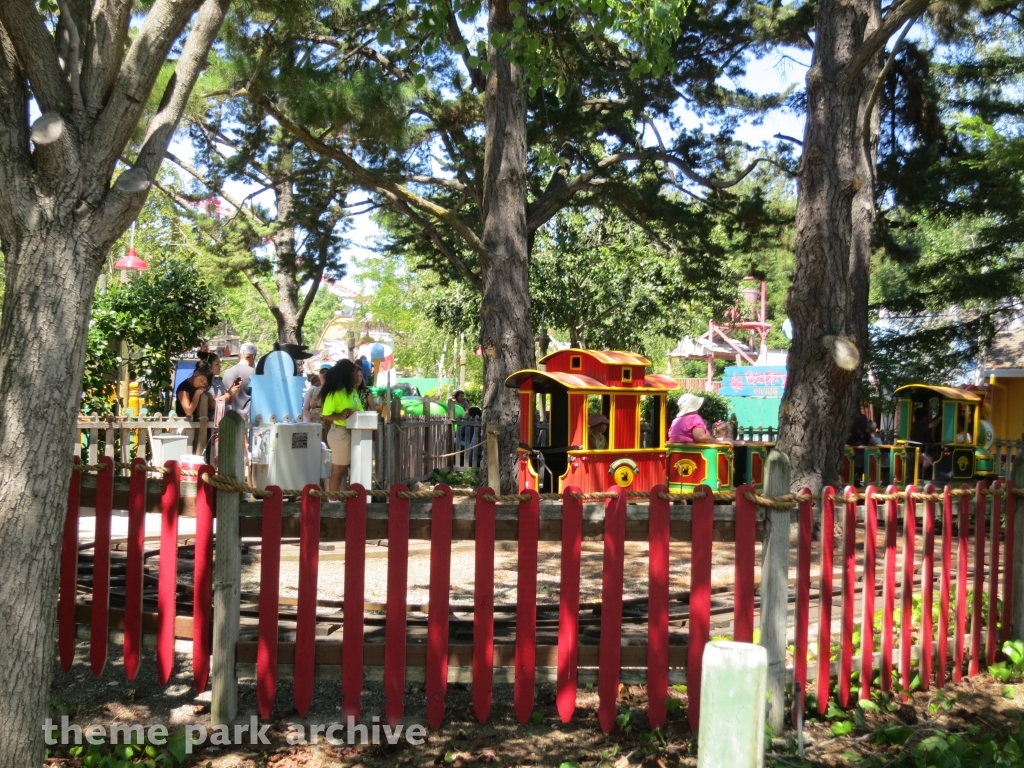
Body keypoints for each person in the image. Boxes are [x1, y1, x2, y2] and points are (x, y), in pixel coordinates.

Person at [321, 359, 364, 492]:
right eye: (356, 373)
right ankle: (333, 502)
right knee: (338, 472)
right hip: (340, 434)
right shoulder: (335, 393)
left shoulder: (352, 392)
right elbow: (326, 414)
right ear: (349, 374)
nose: (359, 376)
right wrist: (341, 416)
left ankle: (342, 498)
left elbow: (360, 411)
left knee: (347, 470)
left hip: (354, 434)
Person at [668, 393, 735, 445]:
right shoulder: (694, 418)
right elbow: (700, 437)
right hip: (694, 457)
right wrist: (720, 442)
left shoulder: (676, 420)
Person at [221, 342, 257, 421]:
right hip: (248, 423)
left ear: (239, 355)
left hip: (230, 421)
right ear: (253, 356)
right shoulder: (255, 374)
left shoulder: (227, 373)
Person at [302, 363, 332, 440]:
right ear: (319, 374)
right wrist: (310, 420)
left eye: (327, 372)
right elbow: (305, 409)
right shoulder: (313, 391)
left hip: (329, 426)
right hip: (314, 425)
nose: (324, 374)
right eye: (322, 372)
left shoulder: (334, 391)